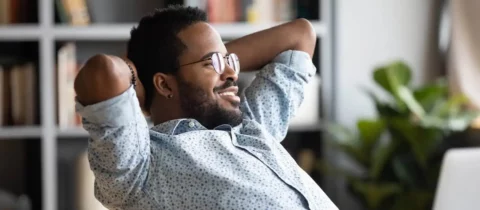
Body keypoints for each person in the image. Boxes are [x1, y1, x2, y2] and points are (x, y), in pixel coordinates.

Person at [74, 5, 338, 210]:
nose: (232, 74)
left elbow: (300, 35)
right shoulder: (141, 167)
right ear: (164, 85)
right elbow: (103, 72)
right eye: (211, 63)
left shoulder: (252, 125)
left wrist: (215, 62)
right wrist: (142, 75)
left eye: (230, 62)